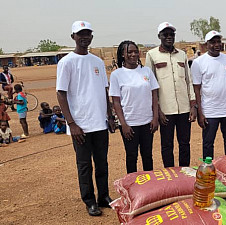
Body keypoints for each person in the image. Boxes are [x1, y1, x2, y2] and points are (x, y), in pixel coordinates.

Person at [56, 21, 115, 216]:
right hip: (80, 125)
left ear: (91, 36)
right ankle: (89, 200)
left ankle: (104, 196)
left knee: (102, 163)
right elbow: (61, 94)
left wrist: (110, 115)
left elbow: (105, 90)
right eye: (80, 34)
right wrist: (71, 123)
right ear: (73, 37)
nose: (84, 37)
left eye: (87, 33)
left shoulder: (97, 61)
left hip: (100, 123)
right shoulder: (66, 62)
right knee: (84, 165)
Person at [145, 22, 196, 167]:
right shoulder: (152, 55)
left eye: (171, 34)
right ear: (159, 36)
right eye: (165, 34)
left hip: (184, 108)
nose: (168, 37)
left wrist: (193, 105)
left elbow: (188, 81)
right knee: (167, 145)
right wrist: (157, 110)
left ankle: (184, 172)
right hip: (165, 110)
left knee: (185, 143)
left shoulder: (182, 55)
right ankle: (170, 174)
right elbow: (150, 85)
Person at [110, 40, 159, 174]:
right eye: (129, 52)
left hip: (147, 122)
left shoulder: (146, 71)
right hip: (129, 123)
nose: (133, 54)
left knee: (147, 155)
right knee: (131, 156)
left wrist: (155, 118)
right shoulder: (117, 75)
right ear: (122, 55)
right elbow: (116, 102)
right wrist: (123, 124)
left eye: (135, 51)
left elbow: (154, 96)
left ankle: (149, 187)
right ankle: (132, 186)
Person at [192, 31, 226, 159]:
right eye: (213, 42)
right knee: (208, 144)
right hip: (210, 111)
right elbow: (197, 89)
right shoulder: (198, 62)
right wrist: (200, 112)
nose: (216, 45)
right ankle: (208, 170)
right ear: (206, 44)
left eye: (218, 42)